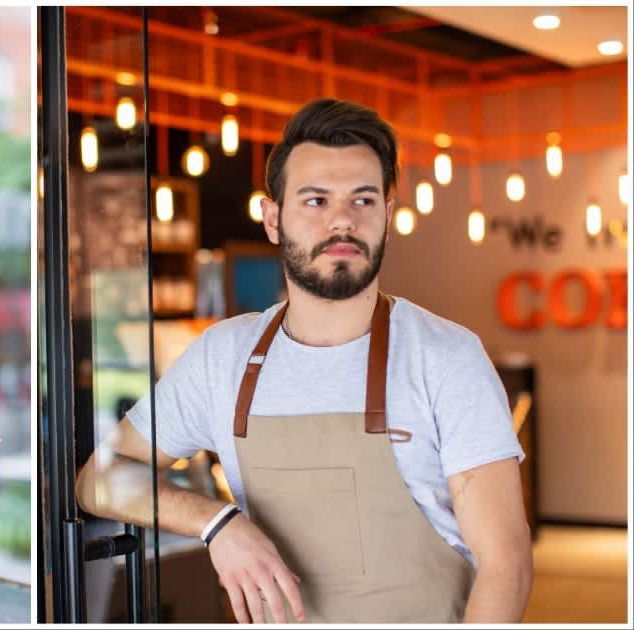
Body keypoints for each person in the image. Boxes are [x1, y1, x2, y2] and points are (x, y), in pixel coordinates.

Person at [76, 99, 532, 623]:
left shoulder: (447, 358)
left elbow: (507, 564)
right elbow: (100, 478)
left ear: (387, 216)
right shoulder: (223, 358)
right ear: (273, 219)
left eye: (363, 200)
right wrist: (218, 523)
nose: (342, 220)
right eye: (315, 200)